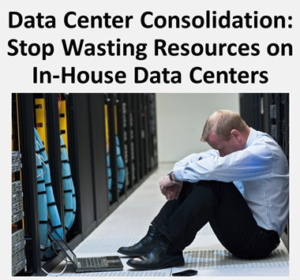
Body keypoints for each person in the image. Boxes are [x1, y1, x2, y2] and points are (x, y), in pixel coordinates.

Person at [118, 110, 289, 270]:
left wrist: (176, 177)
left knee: (213, 180)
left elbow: (217, 167)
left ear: (235, 135)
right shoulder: (236, 147)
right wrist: (176, 176)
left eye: (221, 148)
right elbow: (196, 159)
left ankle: (168, 249)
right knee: (197, 175)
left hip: (259, 241)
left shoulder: (265, 151)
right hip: (244, 229)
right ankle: (155, 238)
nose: (220, 154)